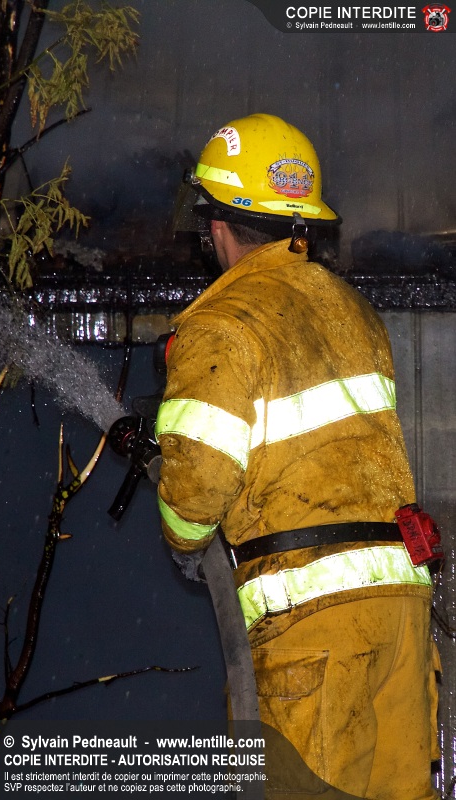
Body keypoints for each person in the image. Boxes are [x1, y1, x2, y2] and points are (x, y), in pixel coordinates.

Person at [154, 113, 441, 799]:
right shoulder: (353, 312)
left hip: (312, 631)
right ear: (299, 224)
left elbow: (197, 488)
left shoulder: (221, 324)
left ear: (217, 225)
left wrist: (182, 539)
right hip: (400, 615)